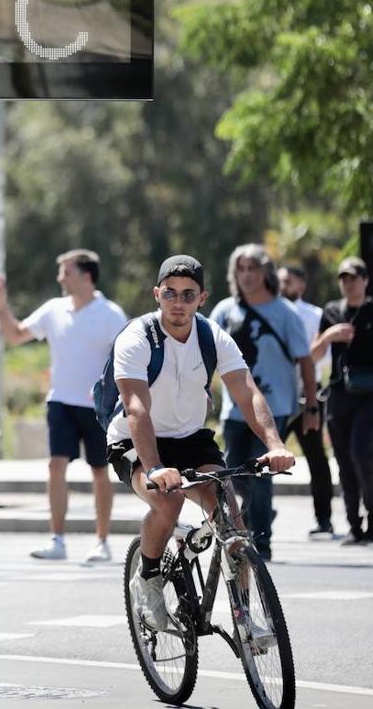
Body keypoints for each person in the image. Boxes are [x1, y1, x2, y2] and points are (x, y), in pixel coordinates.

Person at [105, 256, 294, 629]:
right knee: (168, 499)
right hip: (135, 440)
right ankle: (149, 581)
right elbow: (137, 408)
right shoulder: (137, 338)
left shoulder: (211, 336)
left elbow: (247, 392)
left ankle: (245, 617)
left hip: (191, 438)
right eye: (170, 294)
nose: (178, 303)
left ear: (202, 298)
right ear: (157, 294)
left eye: (188, 295)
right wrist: (156, 467)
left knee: (230, 517)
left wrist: (275, 444)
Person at [0, 249, 127, 562]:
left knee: (99, 470)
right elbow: (15, 335)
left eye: (66, 271)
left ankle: (102, 542)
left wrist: (118, 397)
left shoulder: (111, 315)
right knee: (55, 467)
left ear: (86, 276)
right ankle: (57, 540)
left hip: (98, 409)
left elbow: (126, 359)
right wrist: (0, 304)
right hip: (61, 402)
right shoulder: (53, 310)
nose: (59, 278)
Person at [210, 244, 316, 561]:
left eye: (252, 269)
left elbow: (306, 361)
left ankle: (262, 544)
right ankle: (250, 527)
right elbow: (203, 356)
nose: (246, 276)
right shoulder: (225, 311)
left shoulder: (285, 312)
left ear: (266, 273)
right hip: (233, 410)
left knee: (262, 475)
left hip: (274, 409)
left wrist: (311, 407)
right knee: (232, 478)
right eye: (241, 269)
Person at [311, 256, 373, 545]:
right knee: (343, 461)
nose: (348, 283)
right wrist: (329, 336)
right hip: (338, 395)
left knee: (360, 454)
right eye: (343, 278)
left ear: (365, 280)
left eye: (353, 277)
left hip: (370, 395)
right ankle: (354, 525)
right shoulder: (331, 311)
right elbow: (312, 355)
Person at [279, 264, 337, 537]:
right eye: (279, 281)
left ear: (301, 285)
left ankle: (324, 519)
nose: (283, 285)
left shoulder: (314, 316)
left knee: (316, 458)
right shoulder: (269, 312)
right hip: (275, 399)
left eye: (288, 281)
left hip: (307, 397)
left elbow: (320, 357)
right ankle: (259, 512)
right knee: (257, 458)